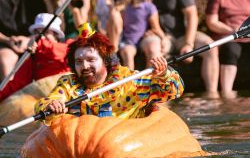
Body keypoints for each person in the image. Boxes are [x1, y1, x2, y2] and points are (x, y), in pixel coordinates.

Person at [34, 22, 184, 124]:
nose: (85, 66)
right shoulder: (69, 84)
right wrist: (51, 106)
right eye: (78, 62)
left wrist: (164, 75)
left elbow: (174, 91)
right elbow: (44, 103)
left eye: (91, 59)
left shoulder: (130, 80)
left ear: (105, 61)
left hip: (122, 151)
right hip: (83, 152)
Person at [135, 0, 219, 96]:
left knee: (210, 47)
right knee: (154, 48)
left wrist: (188, 43)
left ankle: (212, 95)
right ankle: (156, 100)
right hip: (156, 36)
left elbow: (192, 14)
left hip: (181, 35)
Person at [0, 13, 73, 102]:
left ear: (56, 36)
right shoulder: (32, 57)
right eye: (37, 33)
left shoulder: (67, 47)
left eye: (46, 32)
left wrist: (38, 43)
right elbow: (18, 84)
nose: (41, 36)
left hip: (68, 94)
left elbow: (57, 52)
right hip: (47, 100)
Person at [205, 0, 250, 98]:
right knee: (231, 50)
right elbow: (212, 22)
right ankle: (227, 93)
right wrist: (232, 30)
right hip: (229, 37)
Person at [0, 0, 47, 82]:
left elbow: (43, 25)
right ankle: (8, 99)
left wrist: (28, 39)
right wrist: (8, 40)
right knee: (5, 60)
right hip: (5, 42)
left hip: (31, 41)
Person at [107, 0, 167, 69]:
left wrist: (163, 39)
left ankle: (148, 80)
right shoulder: (124, 7)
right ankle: (130, 81)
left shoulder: (149, 7)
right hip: (128, 41)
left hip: (142, 39)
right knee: (127, 53)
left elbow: (156, 28)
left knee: (151, 52)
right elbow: (117, 26)